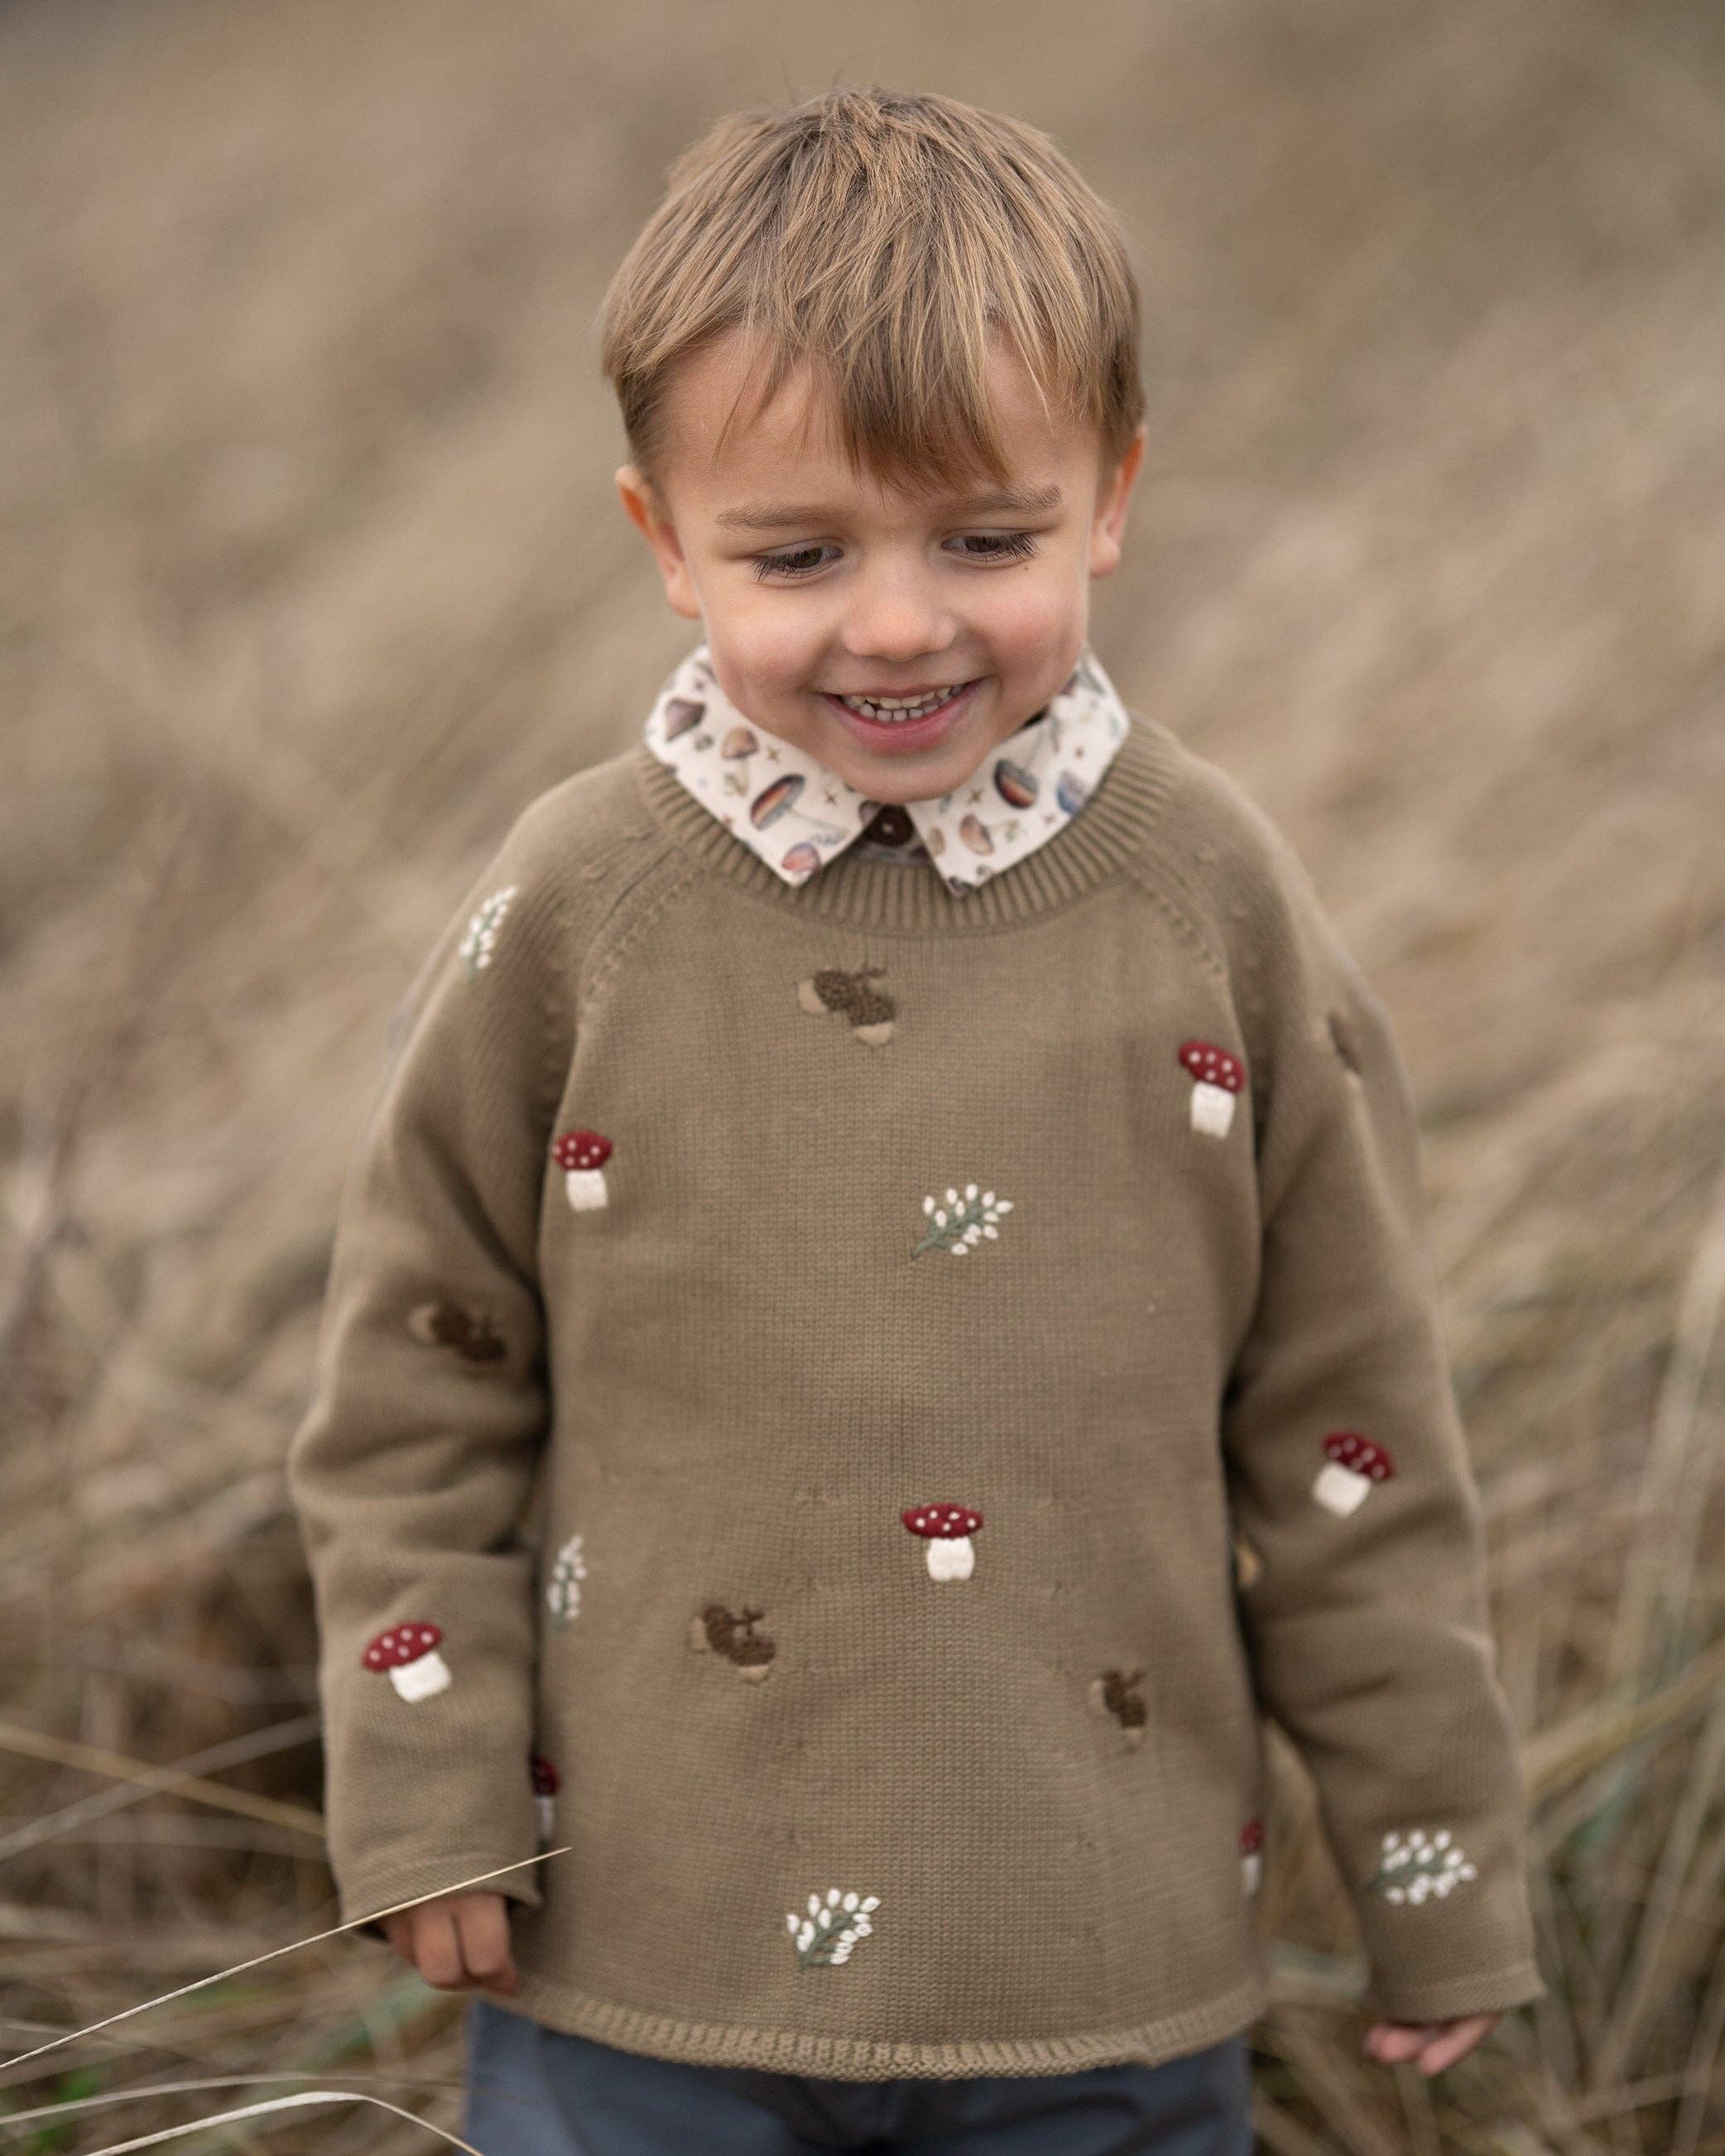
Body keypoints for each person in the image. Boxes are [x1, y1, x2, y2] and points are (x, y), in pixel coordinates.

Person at [285, 84, 1545, 2156]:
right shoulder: (577, 906)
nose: (895, 623)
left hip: (1097, 1967)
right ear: (663, 543)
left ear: (1107, 496)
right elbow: (420, 1381)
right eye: (799, 553)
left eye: (984, 537)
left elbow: (1354, 1432)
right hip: (640, 1964)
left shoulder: (1210, 901)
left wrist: (1437, 1867)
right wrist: (426, 1792)